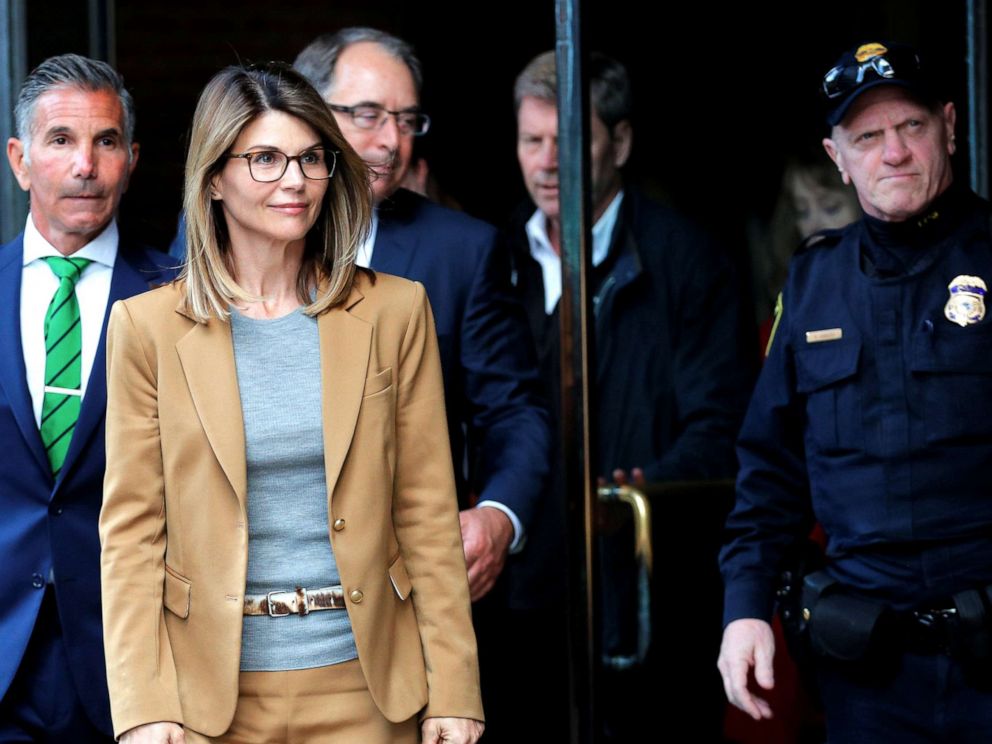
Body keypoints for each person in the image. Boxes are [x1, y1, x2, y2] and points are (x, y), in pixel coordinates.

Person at [99, 62, 483, 744]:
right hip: (209, 697)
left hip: (367, 687)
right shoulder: (147, 328)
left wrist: (455, 688)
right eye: (267, 159)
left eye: (311, 158)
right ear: (214, 177)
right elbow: (131, 536)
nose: (296, 180)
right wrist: (142, 704)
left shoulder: (396, 310)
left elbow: (426, 511)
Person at [719, 41, 992, 742]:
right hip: (866, 678)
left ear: (951, 127)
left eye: (911, 127)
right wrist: (745, 609)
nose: (892, 152)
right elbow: (769, 473)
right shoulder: (812, 286)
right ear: (837, 157)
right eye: (867, 136)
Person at [507, 50, 756, 742]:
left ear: (619, 142)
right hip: (525, 597)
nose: (548, 161)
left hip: (647, 600)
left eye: (570, 139)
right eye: (533, 140)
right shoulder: (498, 261)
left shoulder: (689, 260)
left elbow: (724, 426)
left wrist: (635, 499)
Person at [292, 28, 549, 608]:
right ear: (306, 114)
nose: (392, 141)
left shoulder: (461, 252)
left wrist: (498, 514)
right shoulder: (228, 230)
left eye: (407, 120)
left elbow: (512, 410)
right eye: (368, 115)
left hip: (406, 591)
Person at [0, 53, 173, 742]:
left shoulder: (176, 298)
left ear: (130, 159)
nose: (85, 166)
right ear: (20, 160)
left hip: (129, 663)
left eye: (105, 142)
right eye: (61, 140)